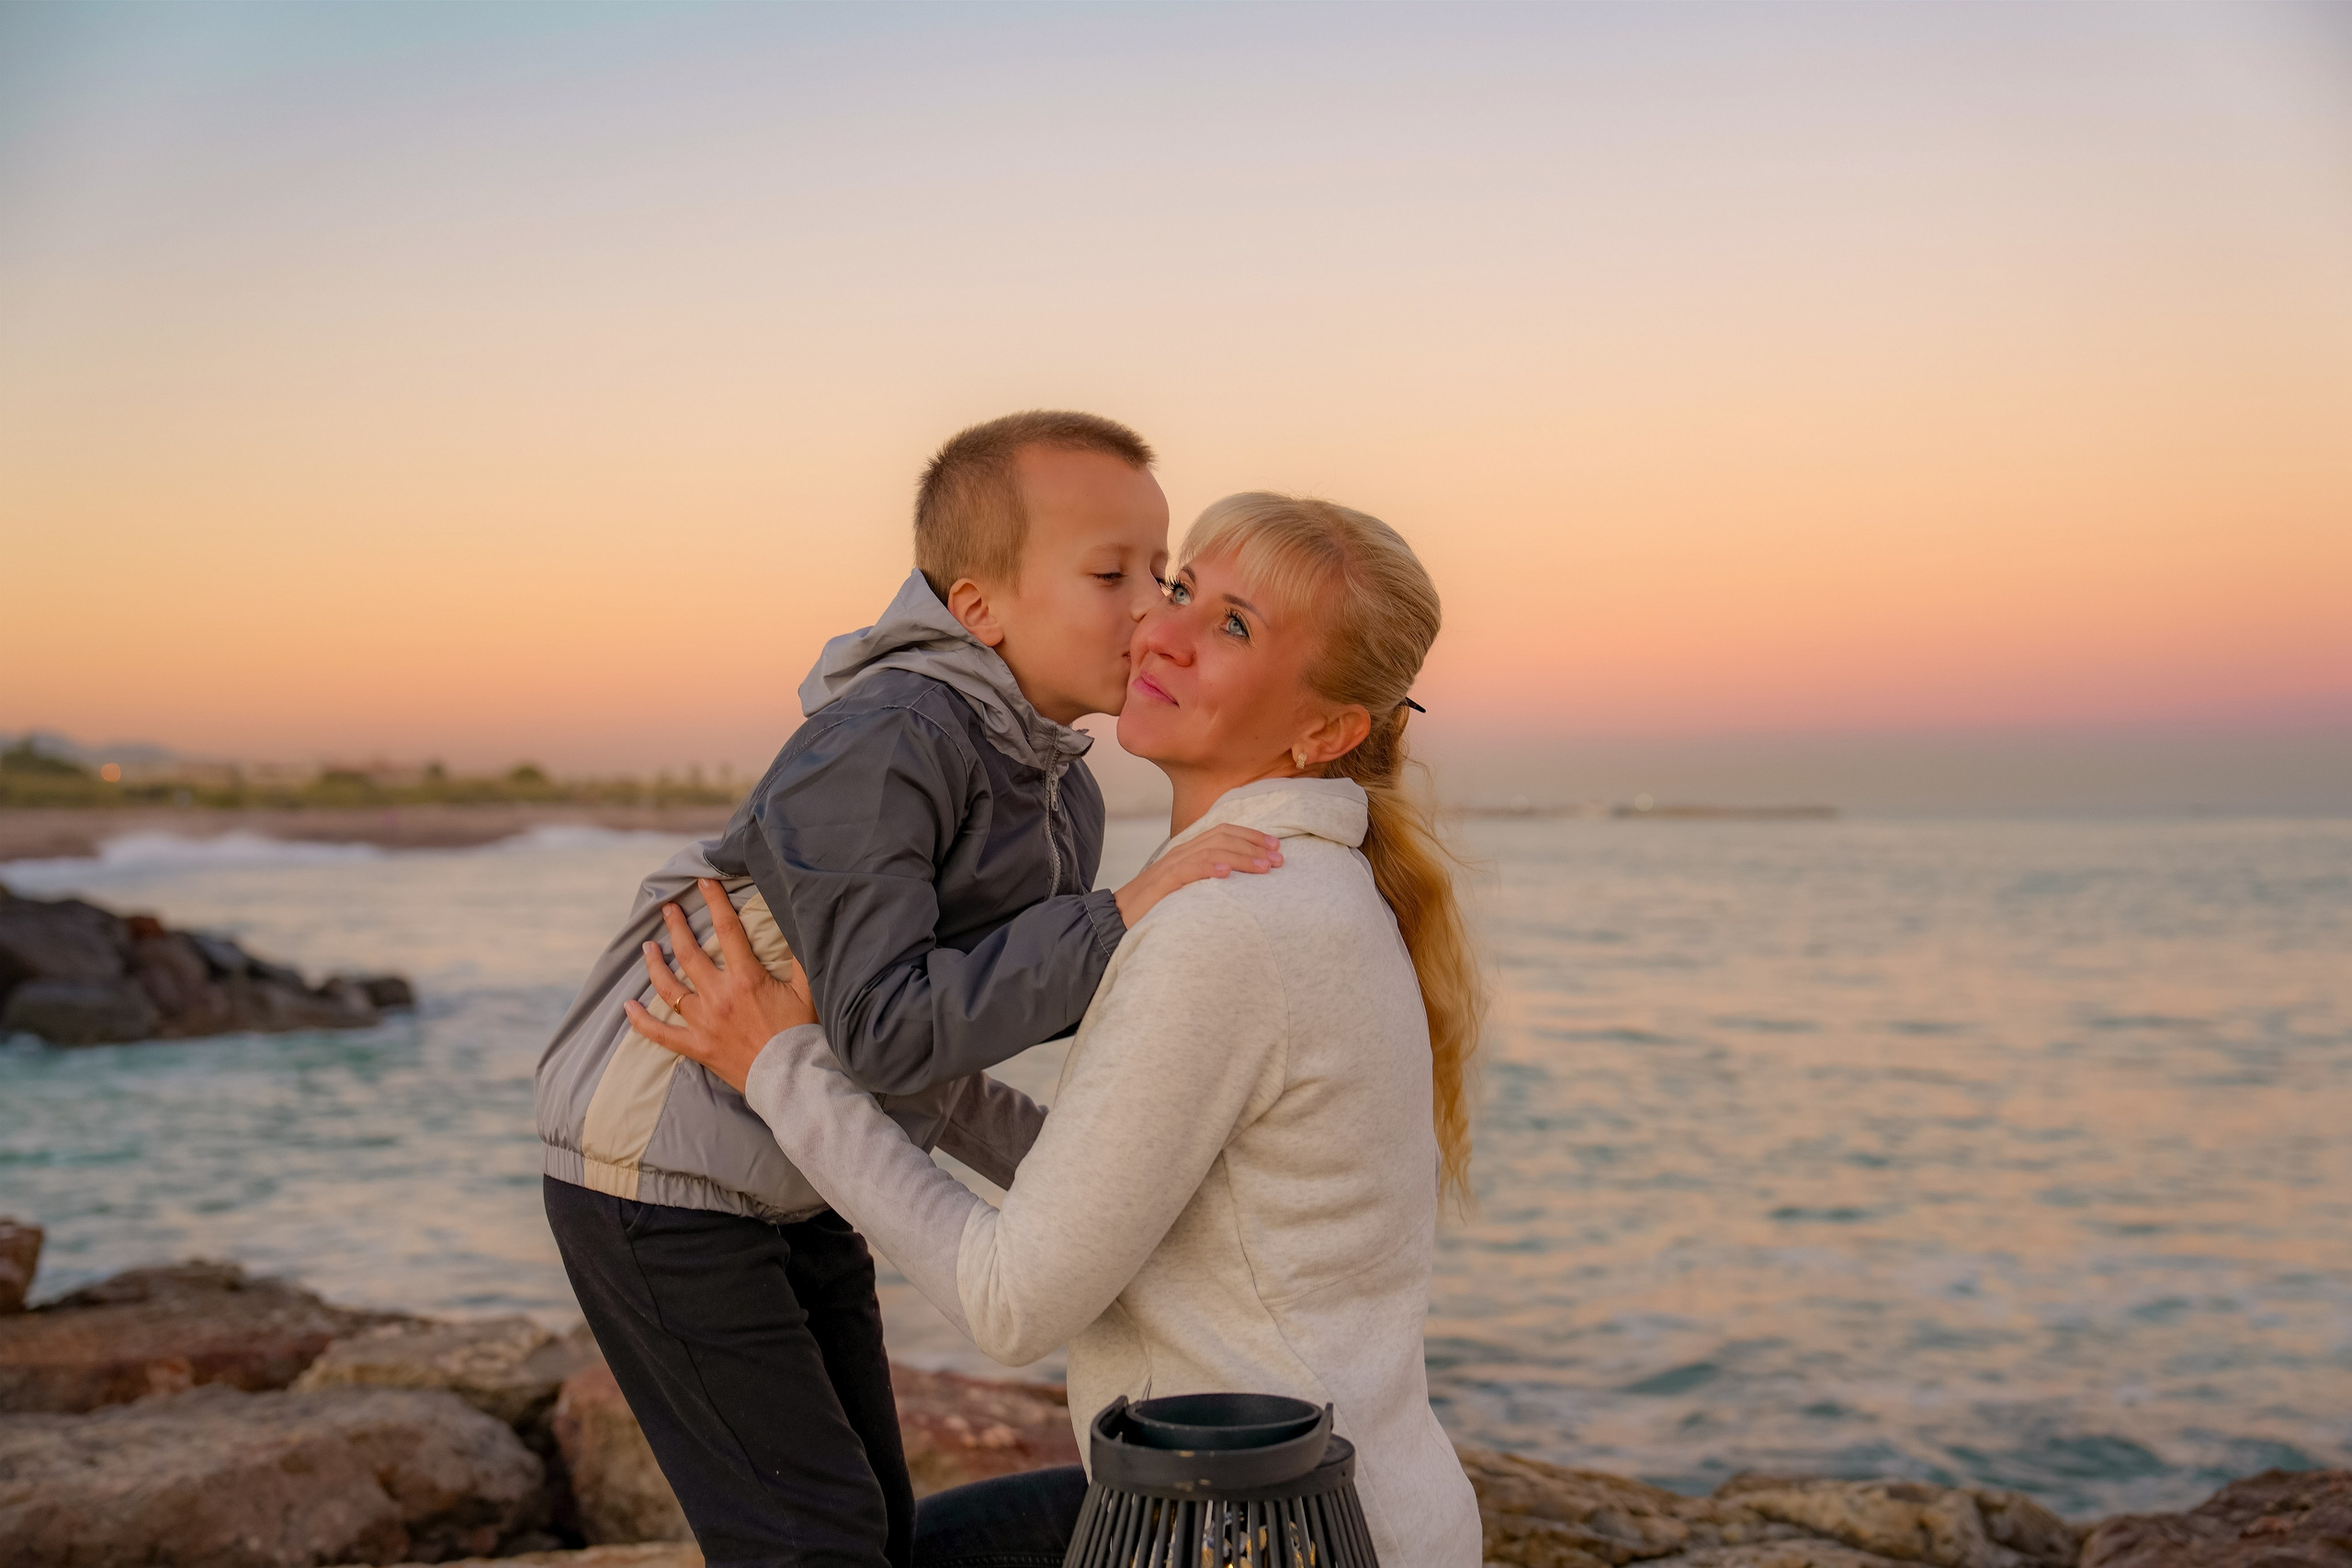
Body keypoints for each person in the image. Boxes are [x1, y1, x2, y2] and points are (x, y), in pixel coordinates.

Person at [637, 492, 1488, 1567]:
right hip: (1322, 1500)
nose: (1161, 632)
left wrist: (778, 1067)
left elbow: (1010, 1301)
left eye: (1233, 626)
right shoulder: (1304, 886)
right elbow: (1125, 1177)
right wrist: (899, 1072)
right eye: (1182, 589)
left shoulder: (1231, 924)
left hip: (1267, 1530)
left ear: (1325, 732)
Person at [534, 412, 1284, 1568]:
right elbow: (886, 1030)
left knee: (874, 1524)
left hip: (795, 1163)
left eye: (1162, 572)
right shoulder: (886, 738)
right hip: (659, 1172)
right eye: (1109, 575)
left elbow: (957, 1029)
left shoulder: (1059, 791)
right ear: (978, 607)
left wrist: (1140, 1171)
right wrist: (1123, 918)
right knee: (811, 1542)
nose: (1153, 610)